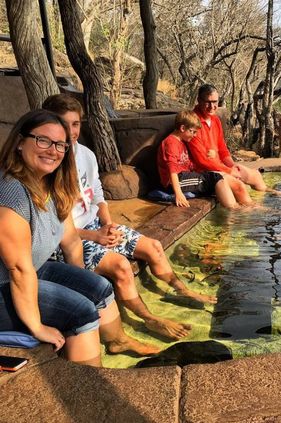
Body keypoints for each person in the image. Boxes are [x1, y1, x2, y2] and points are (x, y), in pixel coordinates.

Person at [43, 94, 215, 342]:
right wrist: (95, 236)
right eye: (63, 124)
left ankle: (183, 291)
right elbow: (55, 226)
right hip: (70, 239)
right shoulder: (48, 164)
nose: (71, 132)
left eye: (76, 124)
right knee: (122, 267)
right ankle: (150, 320)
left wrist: (107, 223)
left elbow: (98, 195)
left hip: (96, 226)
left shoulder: (87, 155)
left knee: (154, 247)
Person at [0, 110, 159, 367]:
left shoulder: (51, 185)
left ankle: (117, 341)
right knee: (80, 312)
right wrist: (36, 325)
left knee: (99, 287)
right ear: (20, 142)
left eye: (60, 145)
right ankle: (86, 388)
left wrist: (83, 282)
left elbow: (72, 242)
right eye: (43, 140)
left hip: (34, 270)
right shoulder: (10, 193)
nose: (53, 150)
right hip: (6, 283)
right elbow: (18, 268)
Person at [188, 84, 276, 205]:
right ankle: (254, 212)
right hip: (204, 171)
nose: (212, 107)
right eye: (207, 102)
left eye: (215, 102)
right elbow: (202, 161)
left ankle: (271, 194)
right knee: (239, 186)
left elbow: (222, 148)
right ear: (199, 100)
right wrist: (229, 172)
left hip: (219, 166)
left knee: (255, 175)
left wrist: (233, 166)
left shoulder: (215, 120)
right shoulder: (192, 123)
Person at [157, 110, 238, 209]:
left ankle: (234, 206)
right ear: (183, 128)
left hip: (185, 177)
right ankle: (234, 210)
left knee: (215, 176)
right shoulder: (171, 143)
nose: (195, 135)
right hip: (177, 180)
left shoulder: (182, 142)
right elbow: (172, 169)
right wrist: (178, 193)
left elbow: (189, 164)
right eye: (193, 132)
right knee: (215, 179)